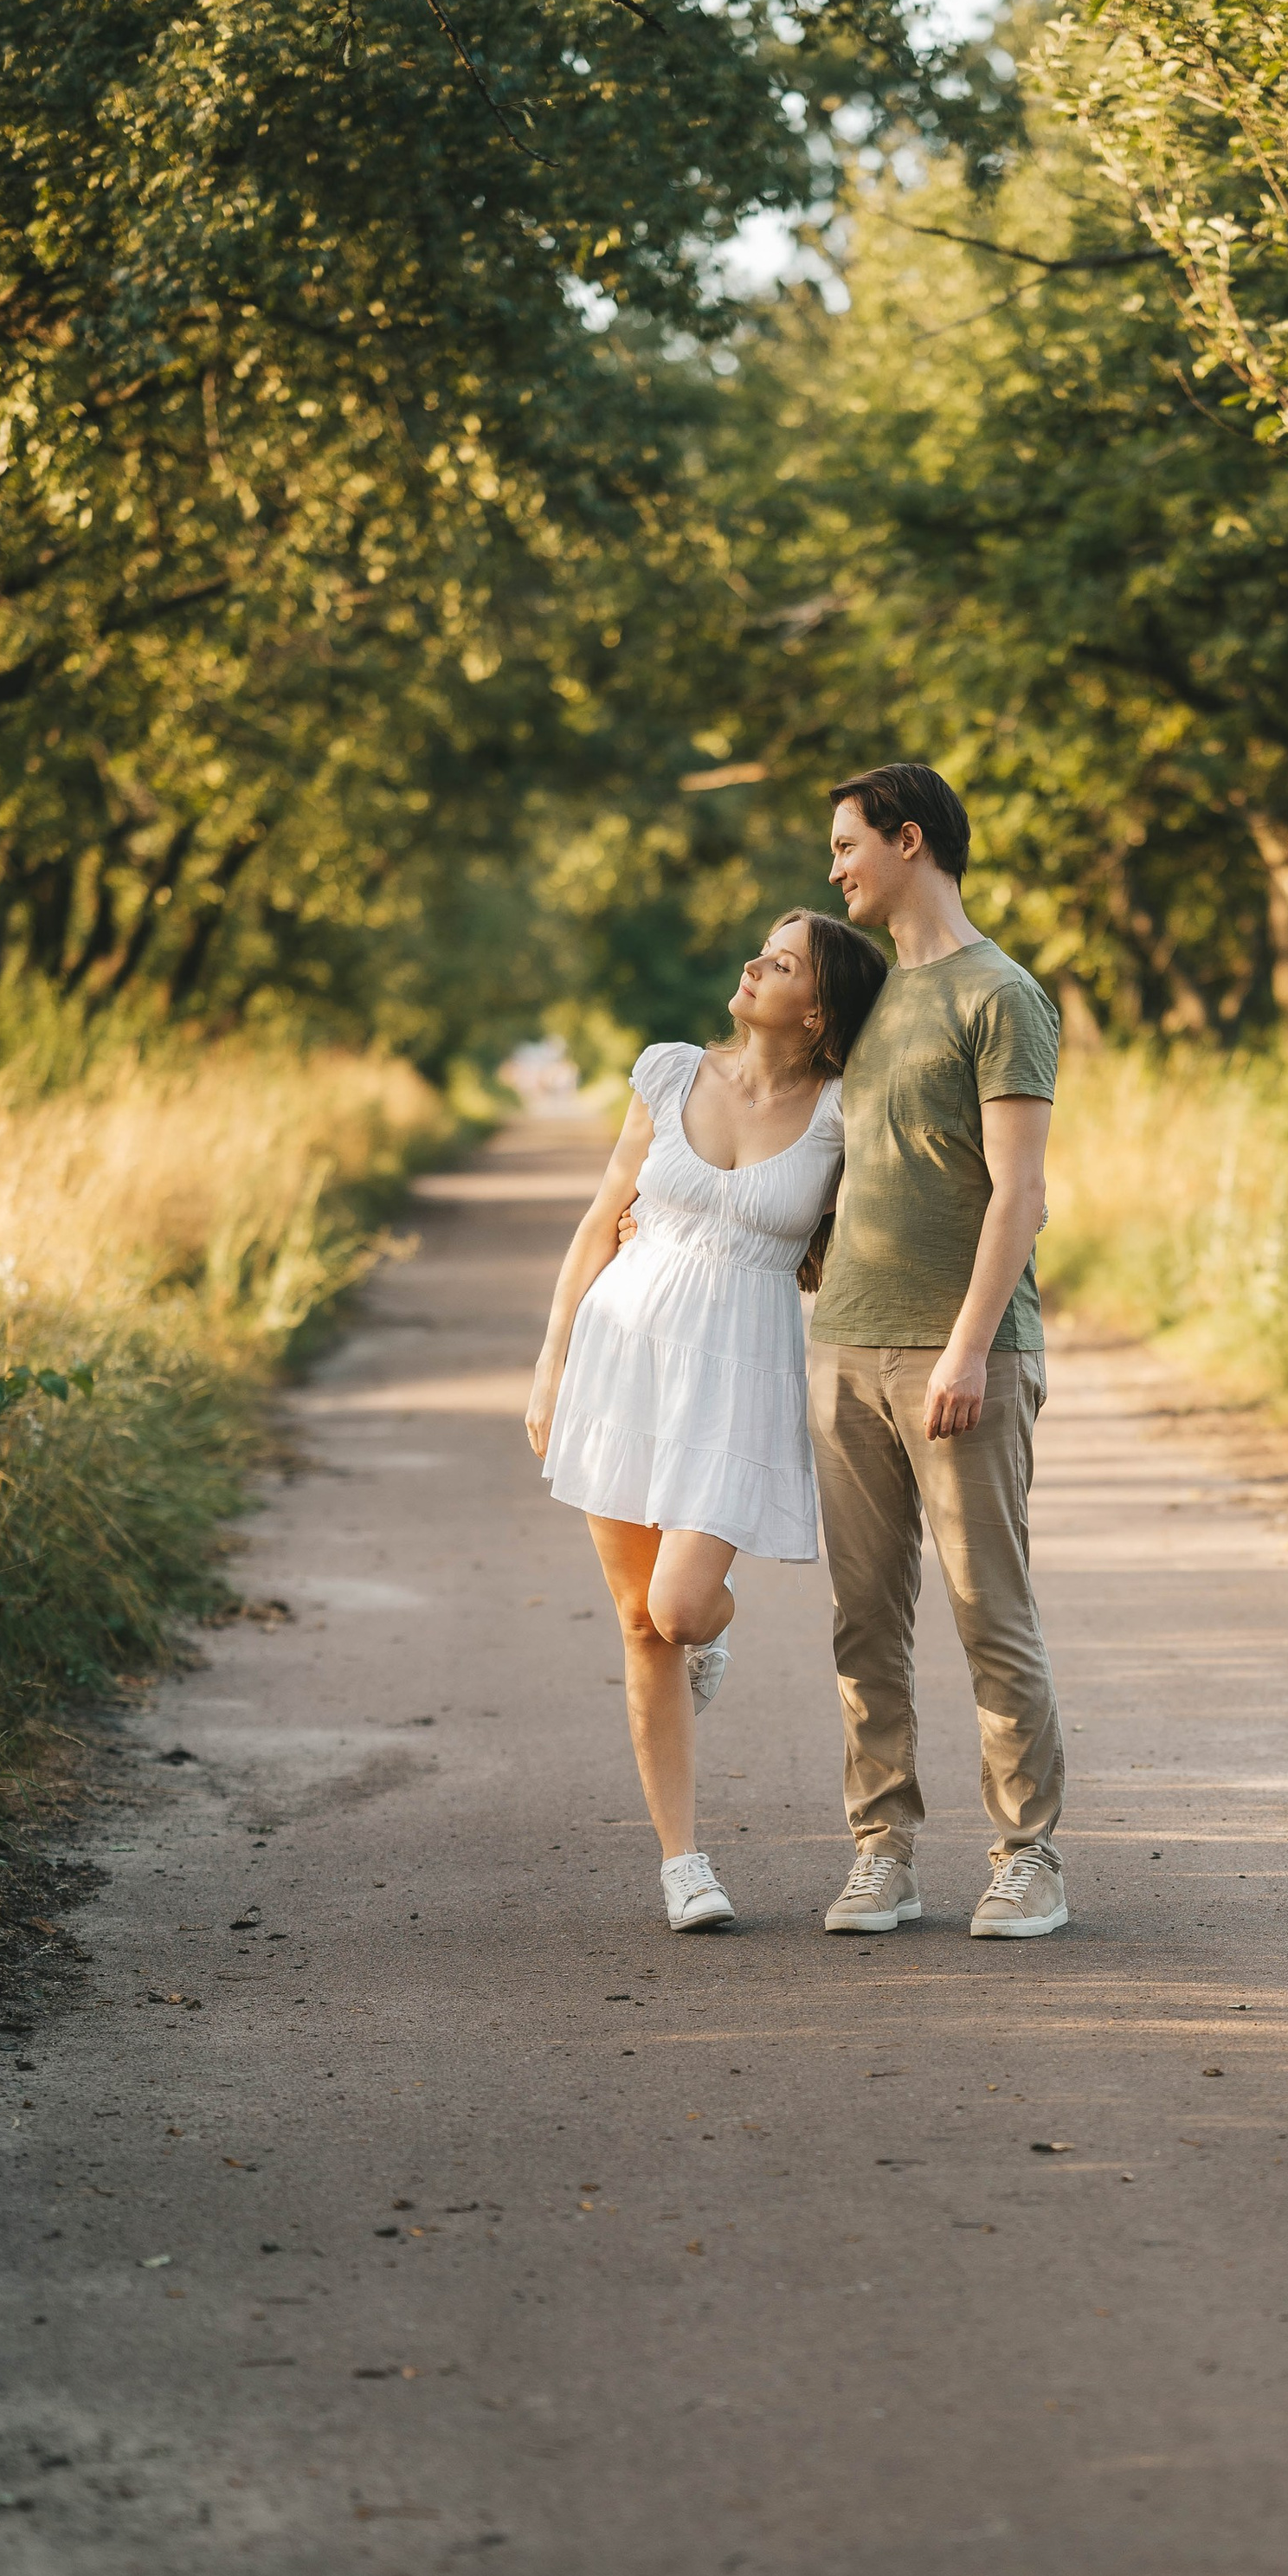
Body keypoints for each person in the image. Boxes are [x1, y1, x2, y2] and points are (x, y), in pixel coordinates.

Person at [524, 910, 887, 1930]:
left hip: (737, 1377)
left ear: (818, 1010)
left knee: (682, 1608)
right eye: (760, 949)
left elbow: (869, 1235)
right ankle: (683, 1863)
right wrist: (552, 1358)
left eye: (781, 962)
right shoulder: (671, 1073)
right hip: (621, 1357)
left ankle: (711, 1637)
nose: (752, 964)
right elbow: (603, 1218)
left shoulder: (843, 1113)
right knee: (639, 1623)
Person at [807, 761, 1069, 1940]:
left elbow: (1020, 1196)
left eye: (849, 844)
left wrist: (968, 1349)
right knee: (865, 1621)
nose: (836, 867)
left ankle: (1029, 1858)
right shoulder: (867, 1000)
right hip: (846, 1346)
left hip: (964, 1357)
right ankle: (883, 1855)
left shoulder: (999, 993)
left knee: (987, 1611)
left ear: (910, 841)